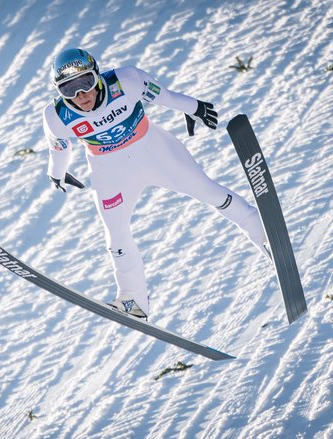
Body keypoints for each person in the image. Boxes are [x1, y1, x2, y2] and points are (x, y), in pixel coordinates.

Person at [42, 48, 269, 320]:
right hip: (110, 172)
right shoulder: (56, 115)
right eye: (69, 90)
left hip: (155, 152)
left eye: (85, 83)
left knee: (210, 192)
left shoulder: (126, 81)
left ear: (98, 76)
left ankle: (267, 239)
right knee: (116, 237)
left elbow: (165, 96)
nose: (81, 96)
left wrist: (194, 108)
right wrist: (57, 172)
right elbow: (59, 147)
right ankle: (133, 300)